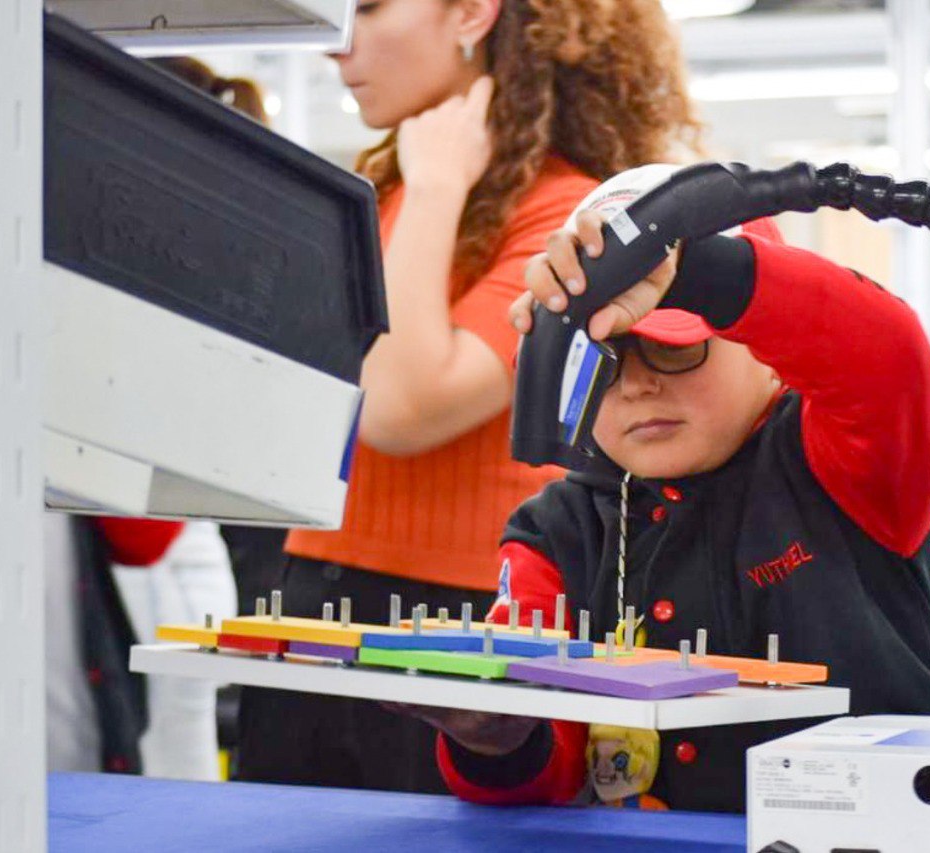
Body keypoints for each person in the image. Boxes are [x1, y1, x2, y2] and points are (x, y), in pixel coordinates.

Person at [236, 0, 702, 792]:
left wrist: (439, 184)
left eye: (371, 7)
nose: (336, 44)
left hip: (469, 619)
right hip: (313, 597)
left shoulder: (571, 218)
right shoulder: (378, 199)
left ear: (471, 14)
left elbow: (404, 409)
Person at [401, 166, 930, 812]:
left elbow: (883, 353)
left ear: (768, 351)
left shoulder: (844, 467)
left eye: (676, 349)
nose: (637, 385)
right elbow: (544, 766)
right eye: (607, 357)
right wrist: (499, 741)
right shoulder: (553, 535)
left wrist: (694, 271)